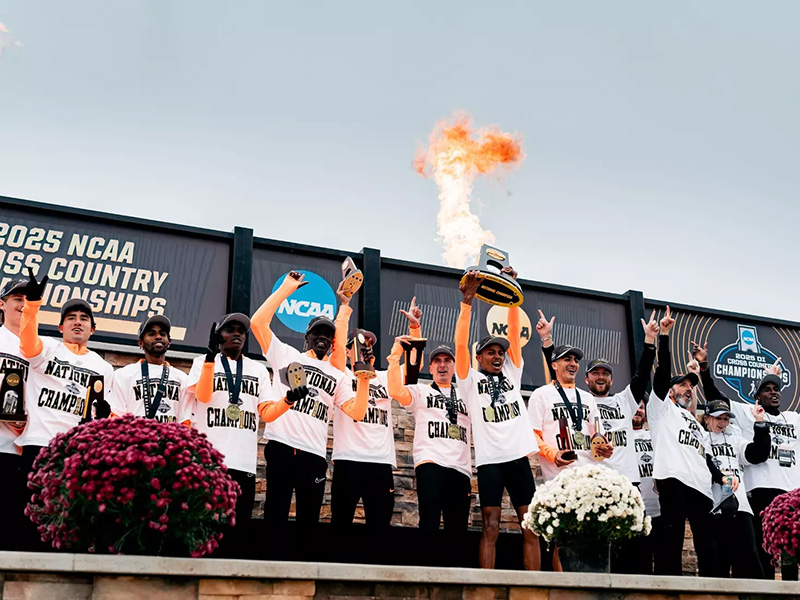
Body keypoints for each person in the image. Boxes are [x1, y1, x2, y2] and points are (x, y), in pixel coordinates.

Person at [250, 271, 362, 533]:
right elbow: (257, 323)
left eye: (328, 334)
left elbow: (356, 411)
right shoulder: (286, 355)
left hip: (313, 454)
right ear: (307, 337)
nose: (322, 337)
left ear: (333, 341)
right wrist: (286, 289)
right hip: (281, 446)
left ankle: (304, 573)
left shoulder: (338, 373)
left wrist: (365, 379)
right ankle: (270, 573)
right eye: (316, 333)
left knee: (308, 522)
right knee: (275, 514)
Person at [455, 269, 540, 570]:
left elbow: (515, 335)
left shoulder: (512, 374)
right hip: (490, 461)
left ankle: (535, 590)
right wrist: (467, 302)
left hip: (517, 458)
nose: (497, 356)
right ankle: (485, 588)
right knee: (490, 526)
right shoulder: (469, 380)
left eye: (499, 352)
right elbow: (460, 346)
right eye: (490, 352)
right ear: (479, 357)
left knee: (530, 525)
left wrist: (513, 291)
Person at [701, 345, 800, 581]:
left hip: (792, 491)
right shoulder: (749, 412)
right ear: (758, 397)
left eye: (776, 389)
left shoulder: (795, 419)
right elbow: (717, 398)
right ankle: (765, 593)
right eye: (767, 389)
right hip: (761, 489)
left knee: (791, 550)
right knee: (764, 551)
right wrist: (704, 369)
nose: (773, 393)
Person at [327, 296, 422, 529]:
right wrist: (345, 305)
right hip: (348, 460)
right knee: (340, 525)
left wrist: (414, 329)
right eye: (361, 343)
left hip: (379, 463)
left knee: (379, 529)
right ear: (349, 351)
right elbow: (336, 346)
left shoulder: (382, 376)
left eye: (370, 344)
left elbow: (413, 368)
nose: (367, 347)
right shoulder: (341, 375)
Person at [534, 309, 659, 483]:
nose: (600, 377)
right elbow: (558, 370)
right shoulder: (582, 399)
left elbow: (642, 375)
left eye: (605, 373)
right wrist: (547, 340)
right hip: (593, 477)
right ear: (586, 379)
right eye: (595, 373)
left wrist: (650, 341)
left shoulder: (624, 400)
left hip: (625, 478)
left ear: (612, 379)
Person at [185, 313, 275, 556]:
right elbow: (203, 396)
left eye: (242, 331)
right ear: (218, 336)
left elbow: (267, 413)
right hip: (210, 462)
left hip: (243, 462)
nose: (237, 333)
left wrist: (288, 400)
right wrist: (210, 361)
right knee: (206, 527)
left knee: (239, 531)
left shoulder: (258, 370)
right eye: (230, 329)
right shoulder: (202, 362)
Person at [648, 307, 728, 577]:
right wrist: (665, 336)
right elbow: (661, 376)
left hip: (701, 484)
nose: (688, 388)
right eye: (682, 385)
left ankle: (714, 591)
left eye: (691, 386)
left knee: (709, 544)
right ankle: (669, 588)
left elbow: (704, 456)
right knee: (672, 537)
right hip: (672, 477)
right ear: (671, 391)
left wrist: (721, 478)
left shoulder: (695, 421)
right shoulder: (661, 409)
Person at [387, 341, 472, 532]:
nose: (442, 365)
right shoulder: (421, 390)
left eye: (447, 360)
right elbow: (395, 391)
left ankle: (455, 563)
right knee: (429, 522)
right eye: (437, 361)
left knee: (458, 528)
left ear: (454, 366)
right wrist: (394, 356)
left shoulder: (467, 395)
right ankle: (427, 562)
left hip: (460, 468)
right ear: (431, 367)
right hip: (430, 463)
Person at [700, 395, 769, 579]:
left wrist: (760, 423)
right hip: (714, 507)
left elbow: (758, 454)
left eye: (726, 418)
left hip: (741, 507)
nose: (723, 422)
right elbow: (704, 462)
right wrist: (721, 478)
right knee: (718, 562)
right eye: (718, 418)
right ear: (707, 418)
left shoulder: (735, 439)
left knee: (749, 560)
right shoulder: (702, 437)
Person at [0, 278, 34, 550]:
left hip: (21, 450)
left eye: (27, 300)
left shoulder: (39, 349)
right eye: (17, 299)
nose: (22, 305)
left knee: (13, 528)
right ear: (2, 304)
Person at [108, 315, 191, 424]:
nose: (158, 337)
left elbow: (184, 421)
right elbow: (116, 416)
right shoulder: (123, 375)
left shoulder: (182, 378)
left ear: (169, 342)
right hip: (136, 439)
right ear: (140, 342)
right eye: (152, 334)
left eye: (163, 334)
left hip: (169, 439)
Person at [631, 398, 662, 574]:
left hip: (658, 511)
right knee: (639, 565)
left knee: (661, 563)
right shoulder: (621, 437)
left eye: (641, 407)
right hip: (634, 513)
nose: (638, 410)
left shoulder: (654, 435)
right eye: (634, 407)